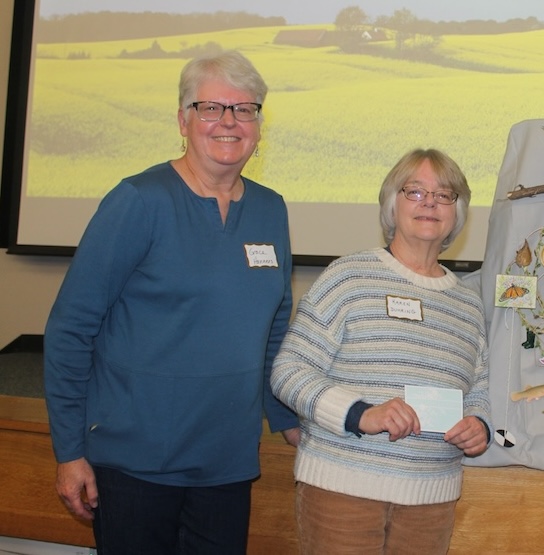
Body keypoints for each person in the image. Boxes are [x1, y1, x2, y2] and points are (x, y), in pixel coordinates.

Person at [43, 50, 300, 554]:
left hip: (226, 461)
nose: (229, 121)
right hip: (135, 464)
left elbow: (274, 327)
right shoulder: (138, 201)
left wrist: (286, 418)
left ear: (259, 126)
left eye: (245, 109)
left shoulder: (270, 209)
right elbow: (71, 329)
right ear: (183, 121)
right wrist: (69, 451)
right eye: (211, 108)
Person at [271, 148, 491, 554]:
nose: (430, 203)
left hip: (431, 503)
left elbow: (478, 388)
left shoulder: (468, 303)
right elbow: (289, 370)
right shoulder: (349, 277)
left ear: (458, 212)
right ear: (392, 204)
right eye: (415, 191)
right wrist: (360, 413)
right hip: (343, 491)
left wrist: (479, 424)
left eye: (444, 195)